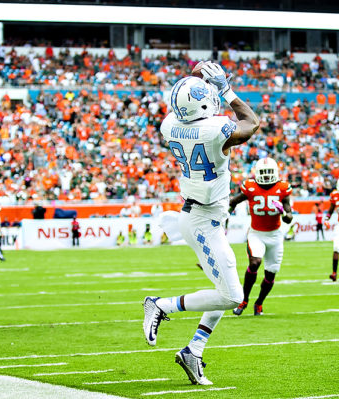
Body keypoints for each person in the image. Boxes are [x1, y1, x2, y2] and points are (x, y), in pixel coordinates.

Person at [143, 61, 259, 385]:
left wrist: (196, 82)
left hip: (206, 214)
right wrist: (226, 89)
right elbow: (252, 122)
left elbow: (188, 109)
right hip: (203, 220)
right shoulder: (212, 131)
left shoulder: (170, 125)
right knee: (233, 296)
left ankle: (194, 350)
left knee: (224, 286)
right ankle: (161, 305)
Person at [228, 157, 293, 316]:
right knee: (255, 262)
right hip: (256, 233)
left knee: (270, 273)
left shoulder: (283, 188)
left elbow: (288, 216)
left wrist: (284, 213)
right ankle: (244, 300)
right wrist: (226, 213)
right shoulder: (250, 187)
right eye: (263, 173)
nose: (265, 176)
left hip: (275, 236)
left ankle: (259, 303)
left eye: (269, 172)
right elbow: (234, 201)